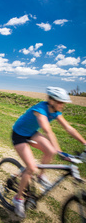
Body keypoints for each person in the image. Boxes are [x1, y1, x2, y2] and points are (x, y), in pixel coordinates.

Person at [11, 86, 86, 218]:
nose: (62, 105)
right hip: (19, 135)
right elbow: (47, 130)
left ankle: (41, 176)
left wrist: (85, 143)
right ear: (52, 101)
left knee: (50, 151)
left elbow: (69, 128)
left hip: (31, 133)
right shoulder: (40, 110)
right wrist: (61, 152)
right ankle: (18, 199)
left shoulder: (56, 111)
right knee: (31, 167)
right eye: (60, 102)